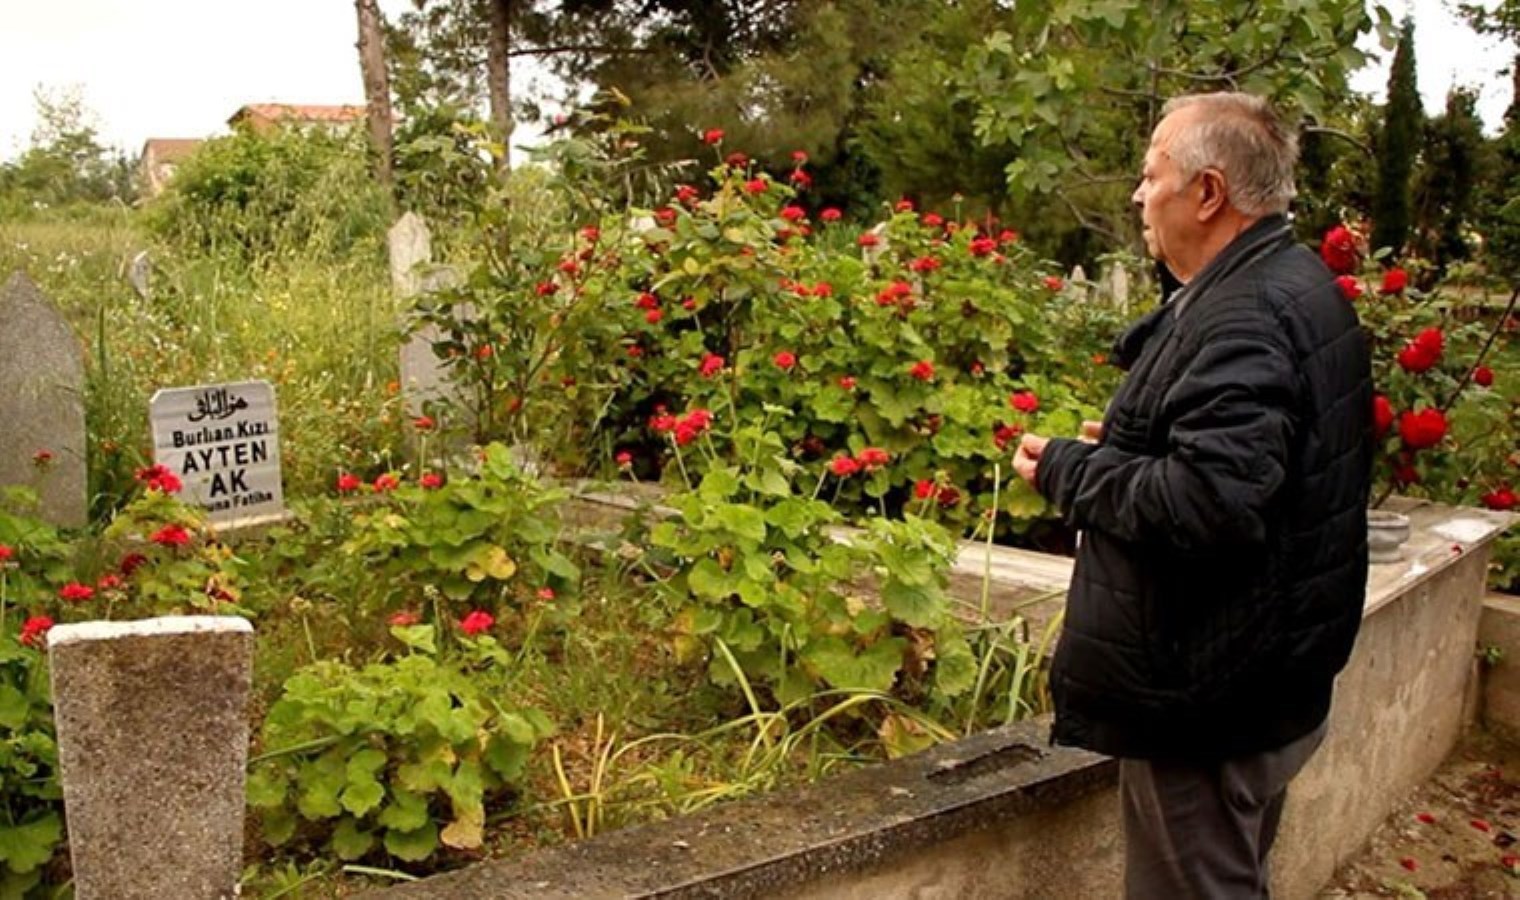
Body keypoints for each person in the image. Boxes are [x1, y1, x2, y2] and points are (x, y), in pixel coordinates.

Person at [1011, 92, 1374, 898]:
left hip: (1207, 697)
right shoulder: (1291, 281)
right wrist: (1136, 451)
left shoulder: (1244, 313)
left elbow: (1211, 502)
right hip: (1262, 677)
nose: (1140, 196)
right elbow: (1262, 464)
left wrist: (1071, 470)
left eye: (1151, 176)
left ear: (1208, 194)